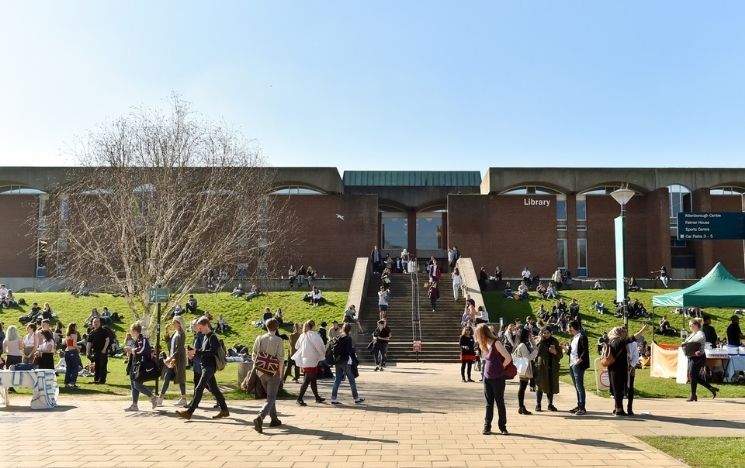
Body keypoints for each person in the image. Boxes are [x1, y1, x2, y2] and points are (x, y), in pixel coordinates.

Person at [177, 316, 230, 420]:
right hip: (205, 366)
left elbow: (212, 353)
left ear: (206, 325)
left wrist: (198, 352)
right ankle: (224, 410)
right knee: (214, 389)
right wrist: (193, 353)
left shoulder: (212, 337)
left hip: (209, 367)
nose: (199, 330)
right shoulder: (205, 336)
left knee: (199, 388)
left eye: (200, 328)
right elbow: (203, 351)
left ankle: (189, 412)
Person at [475, 323, 511, 435]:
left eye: (478, 334)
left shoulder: (496, 343)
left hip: (498, 377)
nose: (477, 337)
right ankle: (487, 426)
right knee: (488, 403)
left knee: (500, 402)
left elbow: (508, 358)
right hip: (487, 377)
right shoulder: (483, 344)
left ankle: (502, 427)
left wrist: (501, 367)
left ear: (483, 333)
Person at [250, 318, 284, 433]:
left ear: (266, 326)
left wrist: (259, 367)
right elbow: (280, 358)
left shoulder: (259, 338)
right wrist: (281, 374)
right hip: (273, 372)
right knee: (271, 397)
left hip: (261, 372)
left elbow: (254, 354)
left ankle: (274, 419)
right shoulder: (279, 340)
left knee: (270, 396)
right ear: (277, 327)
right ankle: (260, 417)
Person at [606, 324, 648, 415]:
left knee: (616, 388)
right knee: (619, 389)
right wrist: (643, 330)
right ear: (617, 333)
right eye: (621, 331)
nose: (623, 332)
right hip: (619, 369)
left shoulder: (611, 341)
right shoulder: (619, 340)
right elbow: (633, 338)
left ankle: (618, 408)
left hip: (612, 368)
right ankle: (619, 409)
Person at [124, 322, 158, 411]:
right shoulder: (138, 339)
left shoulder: (142, 339)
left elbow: (143, 350)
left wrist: (132, 350)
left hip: (141, 366)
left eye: (132, 331)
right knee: (133, 384)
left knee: (137, 385)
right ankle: (134, 405)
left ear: (135, 331)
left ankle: (152, 397)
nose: (131, 333)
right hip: (134, 365)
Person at [683, 318, 719, 401]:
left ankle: (693, 395)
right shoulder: (694, 333)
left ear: (696, 325)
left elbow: (697, 340)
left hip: (698, 357)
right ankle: (711, 388)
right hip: (693, 357)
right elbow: (687, 342)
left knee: (692, 375)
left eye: (691, 325)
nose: (690, 327)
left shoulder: (700, 333)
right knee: (694, 376)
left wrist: (687, 343)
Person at [292, 320, 326, 406]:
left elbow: (296, 346)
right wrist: (323, 354)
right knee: (307, 380)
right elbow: (320, 346)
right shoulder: (314, 335)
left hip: (305, 359)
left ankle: (317, 397)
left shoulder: (302, 335)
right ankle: (299, 399)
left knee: (313, 380)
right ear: (313, 326)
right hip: (312, 360)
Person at [330, 323, 365, 405]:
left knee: (337, 380)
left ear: (343, 328)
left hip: (338, 361)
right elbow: (349, 351)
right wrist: (354, 351)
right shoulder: (348, 338)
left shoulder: (339, 337)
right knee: (352, 380)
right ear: (350, 330)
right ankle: (356, 398)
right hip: (345, 362)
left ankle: (333, 398)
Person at [158, 316, 188, 407]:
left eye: (174, 322)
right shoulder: (175, 333)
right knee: (167, 377)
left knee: (180, 378)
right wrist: (166, 331)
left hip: (178, 359)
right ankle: (160, 398)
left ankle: (183, 399)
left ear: (179, 323)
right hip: (173, 359)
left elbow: (179, 349)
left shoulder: (181, 334)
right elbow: (168, 342)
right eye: (172, 322)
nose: (173, 324)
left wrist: (170, 358)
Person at [535, 328, 562, 412]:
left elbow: (560, 355)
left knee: (551, 385)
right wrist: (540, 341)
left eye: (548, 333)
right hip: (542, 367)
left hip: (552, 366)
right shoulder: (539, 341)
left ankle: (550, 404)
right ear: (542, 333)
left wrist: (555, 352)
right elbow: (535, 353)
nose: (546, 335)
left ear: (551, 333)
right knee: (540, 385)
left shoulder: (554, 341)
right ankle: (538, 404)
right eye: (544, 333)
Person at [513, 328, 539, 415]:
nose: (530, 336)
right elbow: (527, 358)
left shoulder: (524, 344)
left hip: (525, 368)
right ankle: (521, 407)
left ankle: (521, 407)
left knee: (522, 387)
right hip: (524, 368)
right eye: (529, 334)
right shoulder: (522, 345)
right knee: (522, 387)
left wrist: (531, 340)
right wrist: (535, 352)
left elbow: (535, 348)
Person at [566, 321, 589, 415]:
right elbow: (570, 352)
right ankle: (579, 405)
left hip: (578, 365)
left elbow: (585, 351)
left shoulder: (582, 336)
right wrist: (564, 348)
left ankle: (582, 408)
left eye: (569, 327)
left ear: (573, 327)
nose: (568, 329)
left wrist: (578, 361)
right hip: (572, 364)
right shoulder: (573, 338)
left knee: (579, 386)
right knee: (576, 386)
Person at [86, 317, 110, 384]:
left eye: (97, 322)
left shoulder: (104, 330)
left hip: (103, 351)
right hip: (95, 351)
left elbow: (107, 340)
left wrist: (104, 349)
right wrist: (87, 352)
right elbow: (89, 343)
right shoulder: (92, 332)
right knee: (96, 366)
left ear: (100, 323)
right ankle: (96, 379)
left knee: (102, 366)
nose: (96, 323)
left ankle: (102, 380)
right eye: (94, 322)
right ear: (92, 323)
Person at [64, 323, 81, 389]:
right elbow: (74, 344)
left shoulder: (67, 335)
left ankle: (67, 382)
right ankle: (72, 382)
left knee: (69, 368)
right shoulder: (74, 334)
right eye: (76, 326)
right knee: (75, 368)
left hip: (67, 352)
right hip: (72, 352)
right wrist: (78, 347)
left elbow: (67, 344)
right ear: (73, 327)